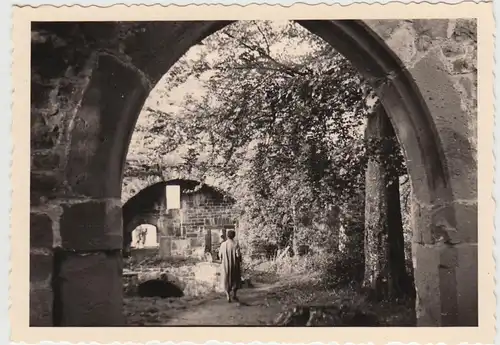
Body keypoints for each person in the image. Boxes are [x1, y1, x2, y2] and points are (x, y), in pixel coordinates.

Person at [218, 230, 241, 302]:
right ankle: (234, 295)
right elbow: (238, 255)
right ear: (234, 236)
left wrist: (222, 261)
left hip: (225, 265)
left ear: (227, 236)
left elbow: (220, 255)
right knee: (235, 279)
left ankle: (228, 296)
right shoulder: (236, 244)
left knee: (226, 279)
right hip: (234, 265)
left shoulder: (223, 244)